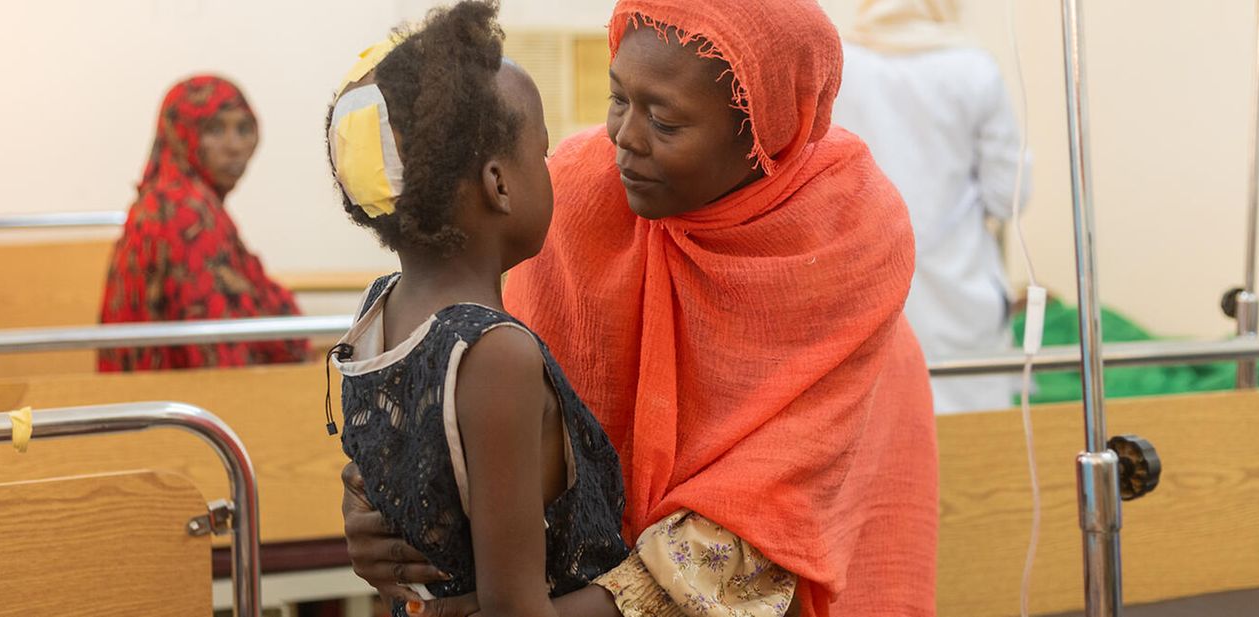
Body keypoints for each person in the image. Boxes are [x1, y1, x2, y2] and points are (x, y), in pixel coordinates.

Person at [343, 0, 939, 615]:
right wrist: (385, 511)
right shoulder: (579, 192)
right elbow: (476, 416)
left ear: (760, 128)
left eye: (666, 121)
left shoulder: (845, 240)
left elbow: (760, 522)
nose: (623, 139)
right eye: (619, 98)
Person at [325, 3, 627, 617]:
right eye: (541, 155)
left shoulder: (379, 310)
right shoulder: (495, 352)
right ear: (500, 184)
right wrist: (648, 595)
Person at [832, 0, 1031, 413]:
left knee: (881, 427)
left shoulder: (842, 65)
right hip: (957, 287)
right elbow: (1008, 194)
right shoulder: (973, 69)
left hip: (860, 277)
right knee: (972, 436)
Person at [99, 75, 306, 371]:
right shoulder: (183, 212)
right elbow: (220, 357)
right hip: (175, 406)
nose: (234, 146)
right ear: (180, 134)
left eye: (244, 129)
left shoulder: (178, 200)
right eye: (214, 129)